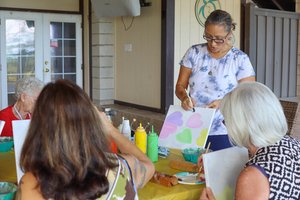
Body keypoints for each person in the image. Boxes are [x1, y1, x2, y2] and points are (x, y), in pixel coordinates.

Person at [17, 79, 155, 199]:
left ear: (38, 130)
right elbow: (148, 164)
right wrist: (110, 129)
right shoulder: (120, 167)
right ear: (92, 124)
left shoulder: (31, 185)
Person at [199, 82, 300, 200]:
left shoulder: (252, 176)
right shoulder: (293, 144)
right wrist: (213, 165)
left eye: (226, 121)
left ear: (239, 125)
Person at [175, 9, 255, 151]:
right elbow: (180, 86)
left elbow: (247, 95)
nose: (212, 44)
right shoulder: (194, 53)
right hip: (193, 125)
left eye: (219, 39)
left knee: (220, 170)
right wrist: (184, 98)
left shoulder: (239, 59)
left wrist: (223, 102)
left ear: (230, 33)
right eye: (208, 37)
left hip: (225, 130)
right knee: (188, 169)